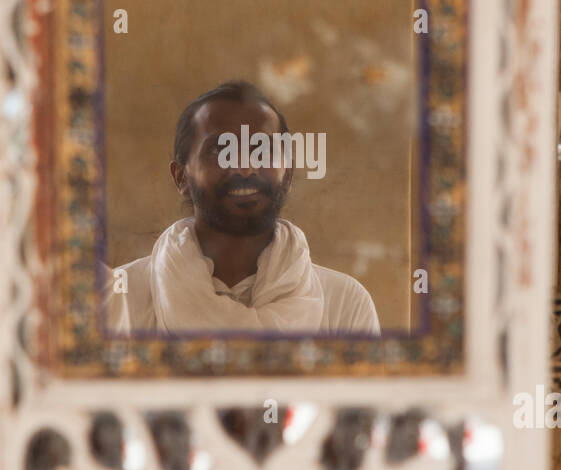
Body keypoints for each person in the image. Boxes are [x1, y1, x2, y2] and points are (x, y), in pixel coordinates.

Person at [105, 80, 380, 335]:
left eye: (261, 149)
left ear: (289, 175)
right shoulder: (120, 299)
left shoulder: (345, 305)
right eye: (219, 150)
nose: (244, 167)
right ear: (182, 178)